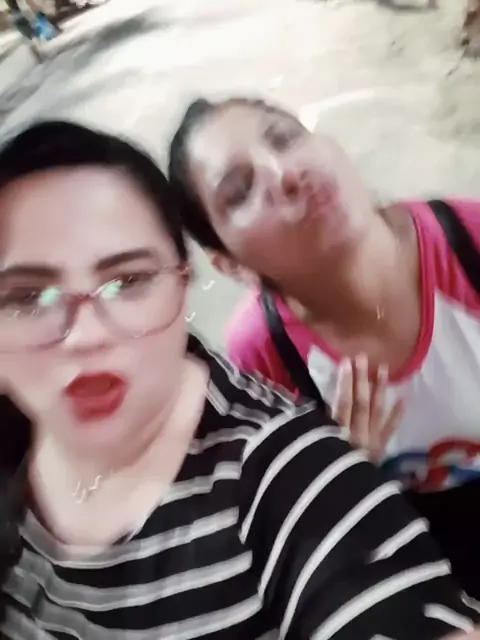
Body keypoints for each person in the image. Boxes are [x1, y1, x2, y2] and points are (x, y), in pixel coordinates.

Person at [0, 120, 478, 640]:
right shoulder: (263, 345)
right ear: (230, 267)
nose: (86, 335)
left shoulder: (286, 470)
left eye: (128, 280)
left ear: (184, 284)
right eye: (27, 297)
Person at [167, 96, 480, 597]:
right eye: (240, 191)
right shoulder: (264, 356)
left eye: (285, 138)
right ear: (230, 264)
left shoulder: (470, 241)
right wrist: (341, 477)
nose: (286, 173)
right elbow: (308, 547)